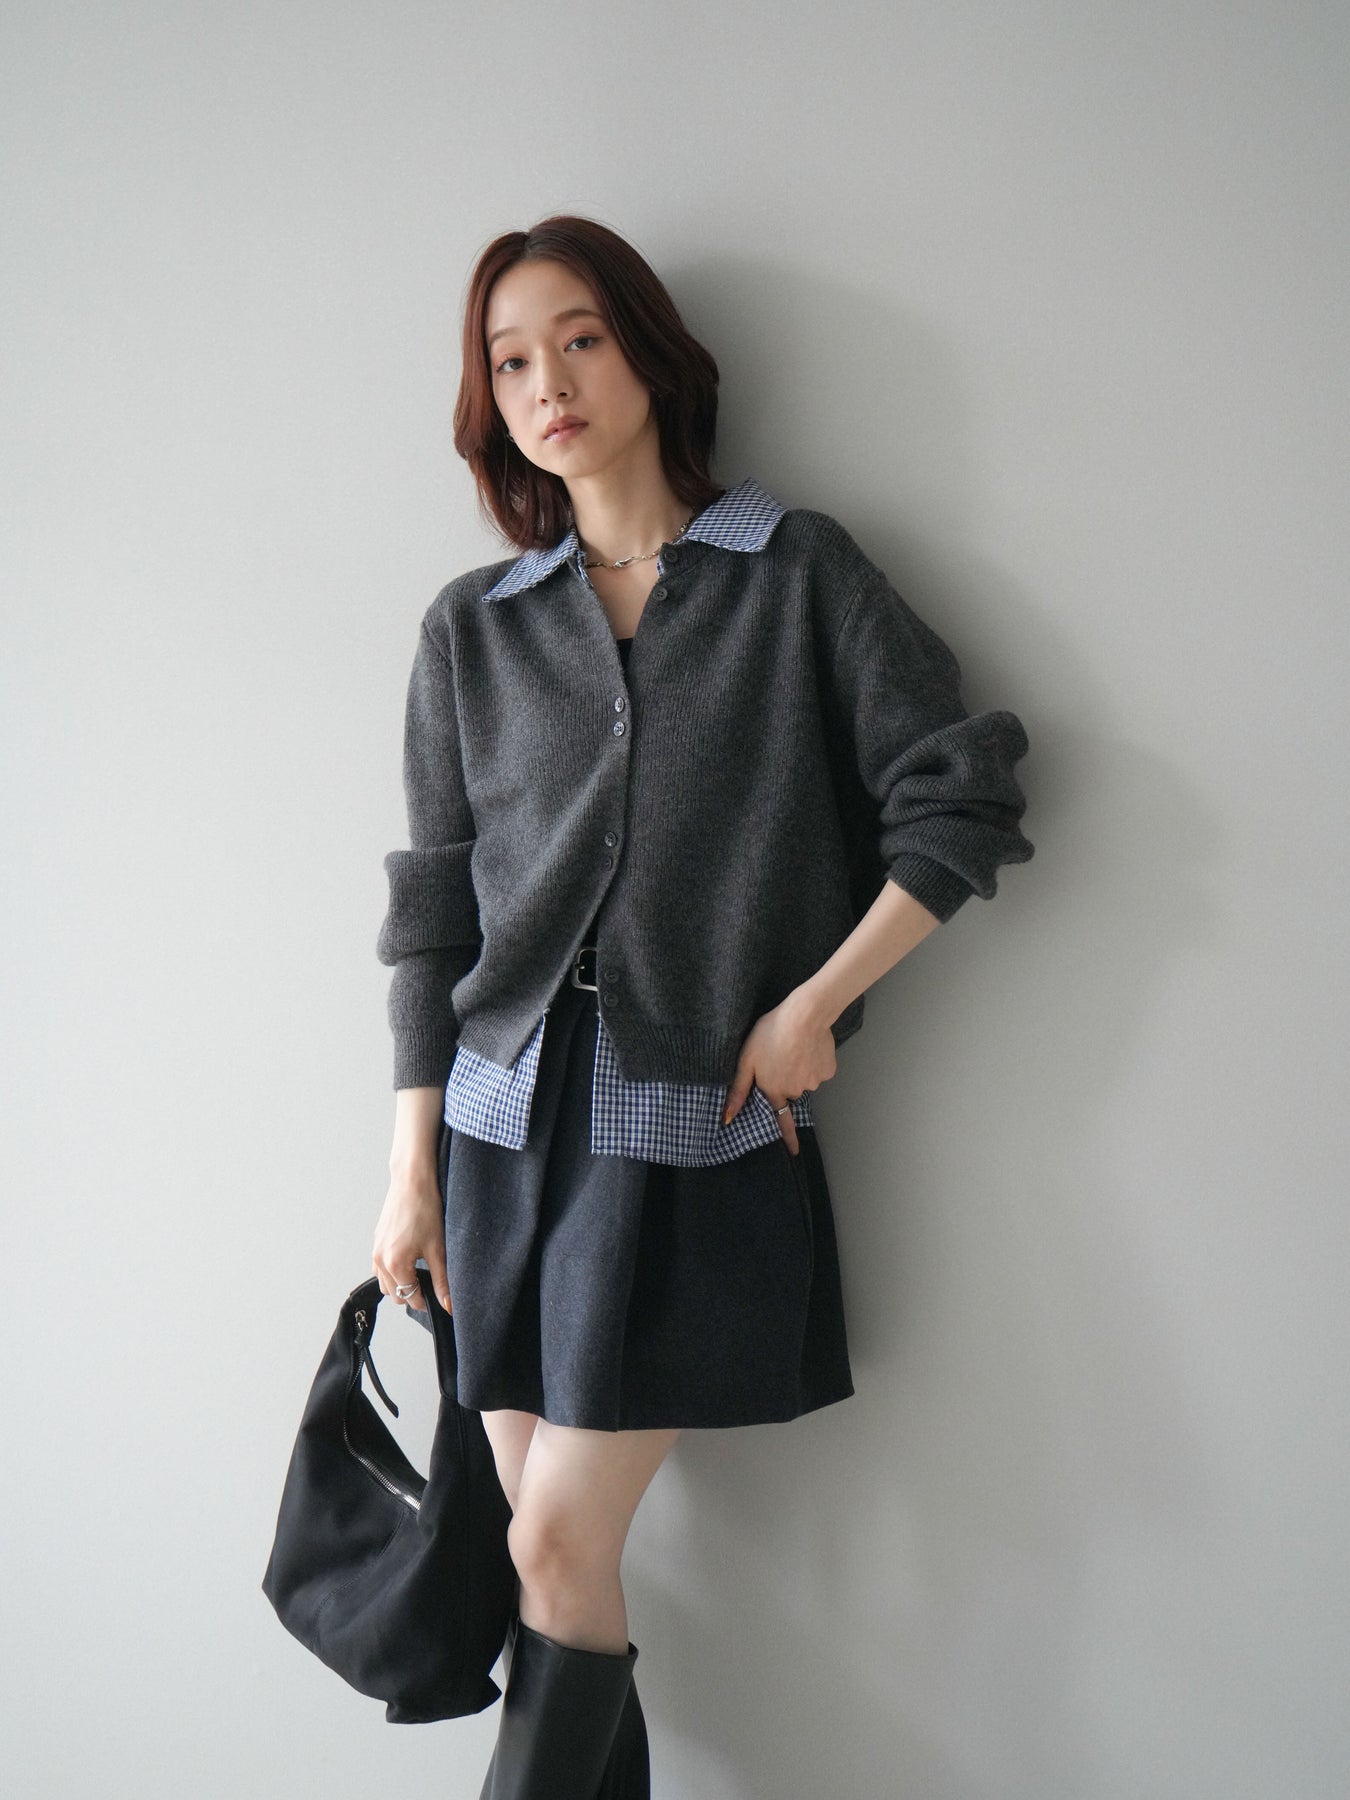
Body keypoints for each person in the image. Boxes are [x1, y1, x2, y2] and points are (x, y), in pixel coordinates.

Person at [370, 214, 1035, 1799]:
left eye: (578, 340)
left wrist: (814, 1004)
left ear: (653, 357)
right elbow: (434, 913)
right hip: (498, 1133)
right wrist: (406, 1169)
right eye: (508, 362)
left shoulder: (793, 574)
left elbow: (958, 792)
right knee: (548, 1560)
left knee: (552, 1541)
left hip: (693, 1124)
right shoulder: (474, 625)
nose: (546, 384)